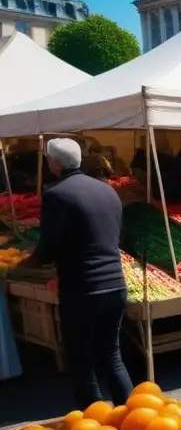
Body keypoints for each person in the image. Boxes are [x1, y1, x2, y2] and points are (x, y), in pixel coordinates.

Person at [17, 139, 133, 407]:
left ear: (54, 163)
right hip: (115, 284)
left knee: (81, 359)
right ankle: (131, 417)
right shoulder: (108, 191)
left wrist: (25, 265)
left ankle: (94, 425)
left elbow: (49, 246)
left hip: (82, 288)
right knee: (112, 355)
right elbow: (116, 236)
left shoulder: (57, 194)